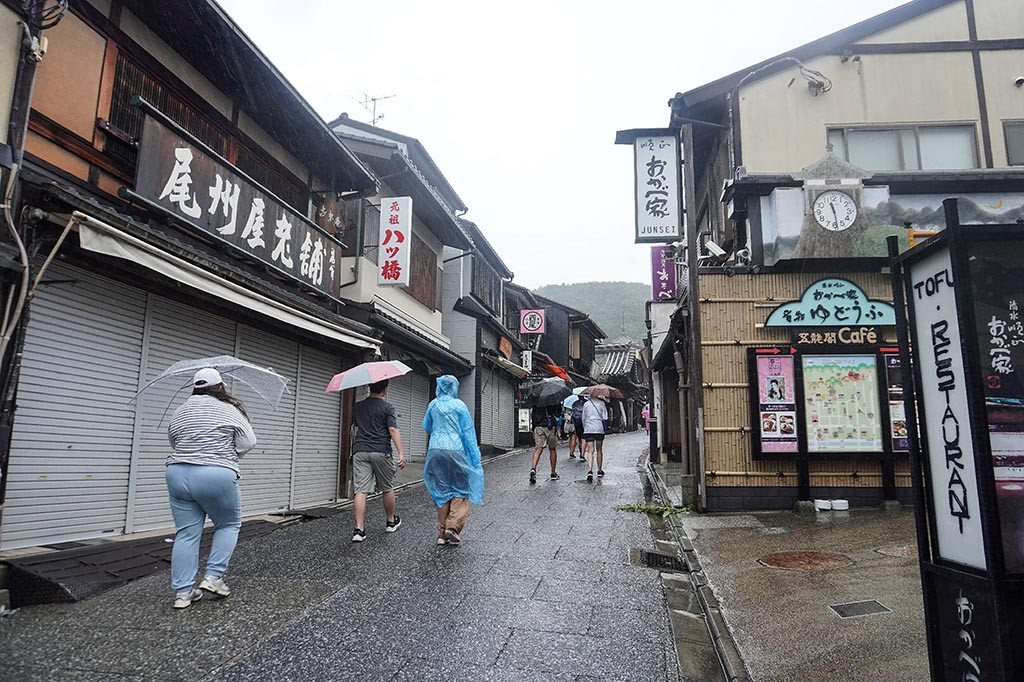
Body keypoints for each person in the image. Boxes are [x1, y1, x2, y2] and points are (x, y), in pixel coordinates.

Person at [165, 368, 256, 609]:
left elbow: (174, 441)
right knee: (228, 524)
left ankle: (183, 593)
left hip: (177, 473)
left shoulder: (180, 410)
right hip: (216, 473)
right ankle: (213, 576)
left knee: (186, 533)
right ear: (219, 386)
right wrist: (229, 455)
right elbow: (249, 442)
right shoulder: (229, 409)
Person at [422, 375, 485, 546]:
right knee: (460, 488)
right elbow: (468, 433)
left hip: (435, 450)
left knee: (441, 489)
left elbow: (427, 426)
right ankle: (453, 527)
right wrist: (474, 458)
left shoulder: (433, 404)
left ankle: (442, 532)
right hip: (456, 449)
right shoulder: (459, 405)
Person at [351, 379, 406, 543]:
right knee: (387, 487)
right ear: (385, 389)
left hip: (360, 450)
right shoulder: (388, 407)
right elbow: (393, 429)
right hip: (381, 451)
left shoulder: (358, 406)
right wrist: (401, 453)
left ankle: (359, 530)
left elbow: (356, 425)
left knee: (360, 490)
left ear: (370, 387)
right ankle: (390, 521)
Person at [529, 402, 561, 483]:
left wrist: (533, 428)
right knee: (552, 449)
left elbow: (533, 415)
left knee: (538, 449)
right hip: (550, 427)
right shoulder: (553, 400)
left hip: (538, 427)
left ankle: (533, 469)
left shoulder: (537, 400)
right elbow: (558, 413)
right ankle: (553, 473)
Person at [582, 395, 609, 482]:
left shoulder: (586, 404)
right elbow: (605, 417)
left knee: (590, 450)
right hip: (599, 428)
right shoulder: (602, 403)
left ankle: (590, 470)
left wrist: (585, 427)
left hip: (588, 428)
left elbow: (583, 418)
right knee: (599, 449)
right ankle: (599, 470)